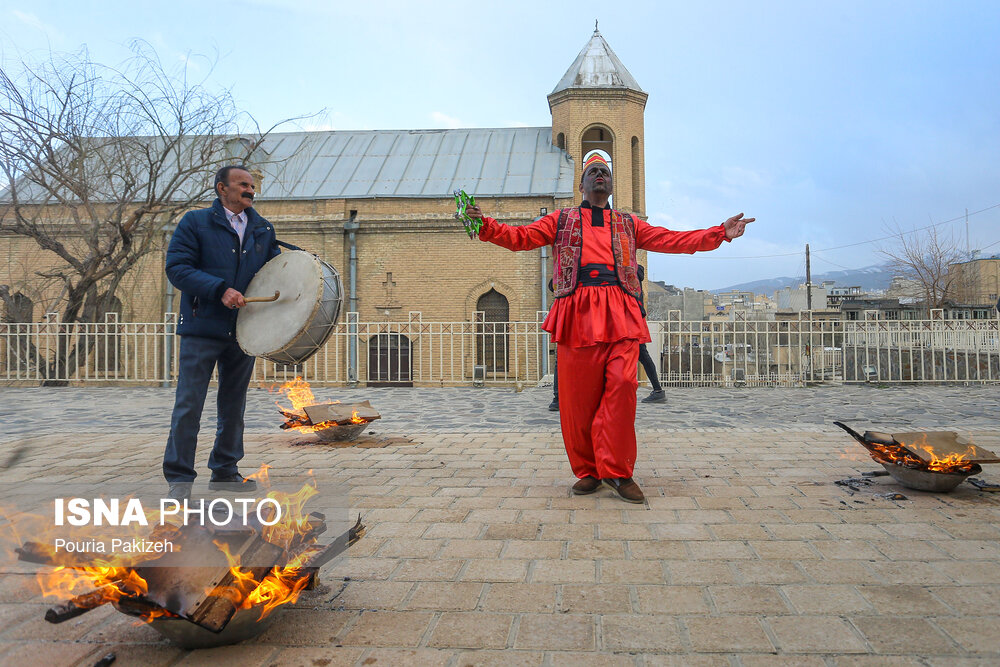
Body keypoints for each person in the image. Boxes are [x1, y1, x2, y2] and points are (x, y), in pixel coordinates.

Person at [467, 153, 753, 503]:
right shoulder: (560, 220)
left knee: (622, 386)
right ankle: (589, 471)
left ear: (611, 184)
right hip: (576, 311)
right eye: (593, 172)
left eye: (605, 171)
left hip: (620, 310)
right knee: (578, 400)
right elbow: (520, 237)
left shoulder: (629, 224)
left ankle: (617, 471)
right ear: (582, 184)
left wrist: (719, 233)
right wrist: (483, 225)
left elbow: (671, 239)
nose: (600, 175)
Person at [162, 165, 280, 500]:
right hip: (202, 327)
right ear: (221, 188)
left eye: (252, 185)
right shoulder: (195, 222)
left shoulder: (262, 228)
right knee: (189, 404)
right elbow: (177, 268)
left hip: (243, 331)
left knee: (233, 405)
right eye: (243, 184)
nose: (250, 190)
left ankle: (225, 471)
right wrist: (220, 290)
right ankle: (180, 480)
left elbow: (274, 276)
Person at [635, 265, 666, 404]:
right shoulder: (635, 272)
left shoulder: (625, 272)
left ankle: (658, 390)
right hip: (636, 317)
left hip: (630, 318)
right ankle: (657, 389)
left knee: (642, 354)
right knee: (643, 355)